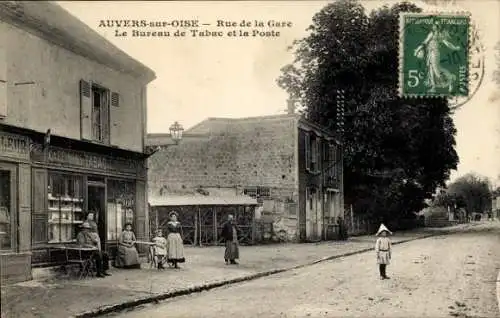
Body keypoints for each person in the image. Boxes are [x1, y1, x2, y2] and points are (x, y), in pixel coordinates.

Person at [414, 20, 461, 93]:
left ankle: (450, 81)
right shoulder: (432, 33)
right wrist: (418, 49)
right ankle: (433, 87)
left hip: (435, 53)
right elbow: (425, 43)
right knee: (431, 70)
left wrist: (455, 48)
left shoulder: (439, 35)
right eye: (433, 25)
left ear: (438, 27)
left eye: (435, 25)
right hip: (430, 53)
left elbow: (447, 43)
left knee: (436, 70)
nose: (433, 26)